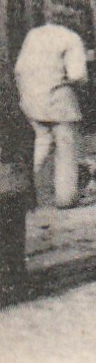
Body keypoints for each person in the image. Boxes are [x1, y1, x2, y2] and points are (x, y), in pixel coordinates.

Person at [15, 4, 89, 209]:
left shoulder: (33, 35)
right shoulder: (71, 39)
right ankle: (65, 197)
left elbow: (19, 68)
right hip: (59, 102)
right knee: (66, 147)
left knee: (41, 143)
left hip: (31, 100)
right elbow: (77, 75)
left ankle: (24, 193)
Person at [0, 64, 33, 302]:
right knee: (11, 232)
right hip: (8, 173)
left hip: (8, 173)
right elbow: (22, 129)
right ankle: (15, 284)